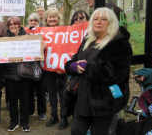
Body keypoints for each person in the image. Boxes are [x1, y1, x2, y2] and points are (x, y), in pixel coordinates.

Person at [65, 7, 132, 135]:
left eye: (103, 19)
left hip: (103, 100)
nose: (98, 22)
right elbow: (73, 60)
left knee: (99, 132)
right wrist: (74, 67)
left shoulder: (120, 43)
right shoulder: (88, 39)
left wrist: (87, 67)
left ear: (111, 22)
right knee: (76, 131)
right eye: (95, 19)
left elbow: (116, 72)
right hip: (82, 97)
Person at [0, 16, 31, 132]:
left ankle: (25, 122)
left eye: (15, 23)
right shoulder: (4, 39)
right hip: (9, 73)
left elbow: (35, 51)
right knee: (12, 100)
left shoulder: (28, 38)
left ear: (19, 25)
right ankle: (14, 122)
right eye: (10, 24)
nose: (13, 26)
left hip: (24, 72)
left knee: (24, 99)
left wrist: (41, 46)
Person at [43, 7, 69, 130]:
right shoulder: (42, 32)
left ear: (58, 18)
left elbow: (68, 49)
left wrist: (63, 66)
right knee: (52, 92)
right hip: (48, 67)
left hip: (60, 68)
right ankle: (54, 115)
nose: (52, 19)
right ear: (46, 19)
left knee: (62, 92)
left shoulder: (65, 31)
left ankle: (64, 117)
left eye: (54, 17)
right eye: (50, 17)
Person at [24, 13, 47, 121]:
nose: (33, 22)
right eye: (31, 20)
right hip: (28, 65)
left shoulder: (44, 33)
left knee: (40, 90)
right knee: (29, 89)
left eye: (35, 21)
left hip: (40, 65)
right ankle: (30, 110)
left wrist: (44, 47)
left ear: (39, 22)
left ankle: (42, 111)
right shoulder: (24, 32)